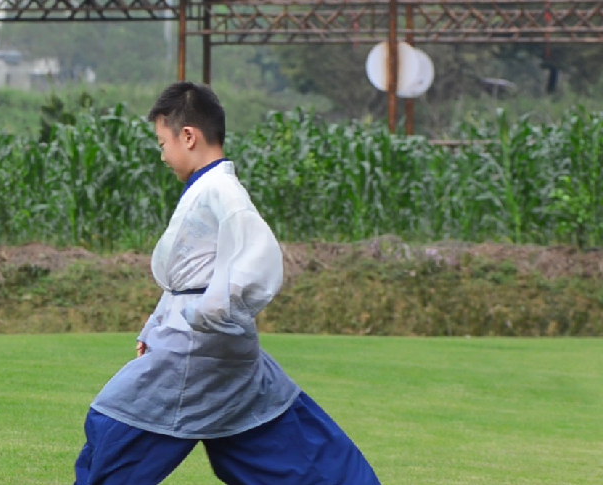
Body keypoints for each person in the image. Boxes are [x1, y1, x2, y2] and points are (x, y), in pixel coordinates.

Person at [73, 82, 380, 485]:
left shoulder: (222, 190)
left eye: (163, 143)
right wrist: (155, 325)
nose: (162, 155)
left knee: (112, 427)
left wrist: (207, 314)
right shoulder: (204, 188)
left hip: (197, 348)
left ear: (188, 136)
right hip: (205, 345)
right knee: (276, 445)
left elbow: (256, 259)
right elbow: (190, 275)